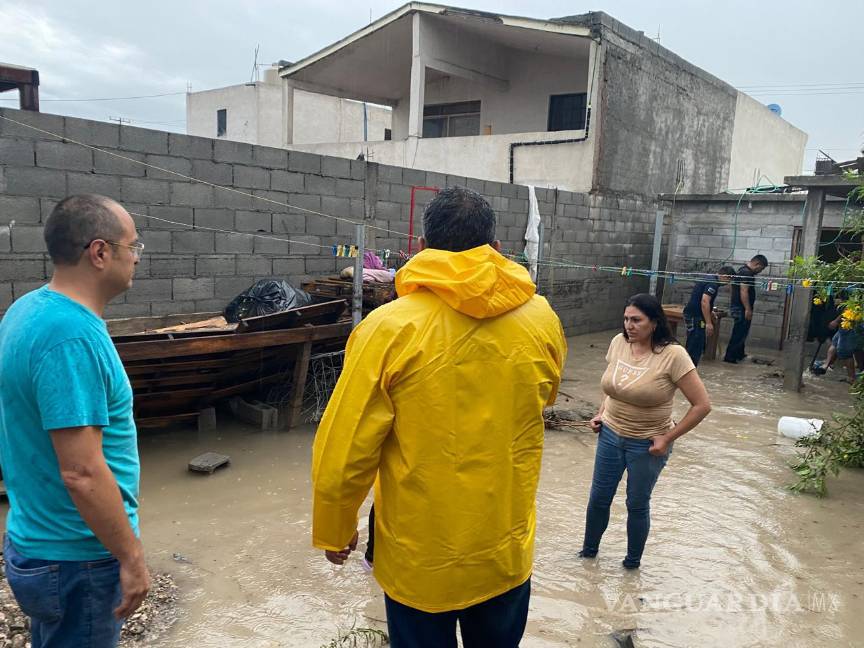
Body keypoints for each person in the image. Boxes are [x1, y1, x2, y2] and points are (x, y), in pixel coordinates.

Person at [311, 186, 567, 648]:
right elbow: (542, 400)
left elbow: (346, 446)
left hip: (420, 560)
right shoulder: (542, 319)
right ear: (495, 247)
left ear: (423, 247)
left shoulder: (387, 328)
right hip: (503, 550)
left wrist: (335, 526)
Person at [0, 195, 150, 647]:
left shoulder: (28, 309)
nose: (138, 257)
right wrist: (131, 557)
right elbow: (82, 472)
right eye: (133, 246)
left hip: (36, 540)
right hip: (76, 559)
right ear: (100, 252)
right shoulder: (71, 337)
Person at [580, 294, 711, 569]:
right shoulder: (618, 343)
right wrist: (601, 413)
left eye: (637, 320)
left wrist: (667, 438)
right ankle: (588, 556)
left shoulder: (673, 355)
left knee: (637, 504)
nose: (629, 325)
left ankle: (631, 565)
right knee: (598, 499)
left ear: (654, 323)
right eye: (626, 319)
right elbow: (615, 386)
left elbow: (702, 405)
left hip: (648, 443)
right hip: (610, 435)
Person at [683, 266, 736, 366]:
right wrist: (708, 323)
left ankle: (687, 370)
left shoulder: (708, 278)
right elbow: (704, 301)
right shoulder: (713, 283)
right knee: (695, 345)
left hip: (691, 314)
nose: (728, 284)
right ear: (725, 276)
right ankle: (688, 372)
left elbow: (700, 298)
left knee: (693, 343)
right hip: (696, 316)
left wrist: (710, 312)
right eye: (729, 280)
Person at [723, 254, 768, 363]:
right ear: (757, 264)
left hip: (738, 306)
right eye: (761, 269)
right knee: (739, 332)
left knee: (742, 332)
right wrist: (747, 309)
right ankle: (730, 357)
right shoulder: (746, 273)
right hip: (741, 308)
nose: (760, 271)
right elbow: (744, 291)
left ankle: (739, 354)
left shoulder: (742, 271)